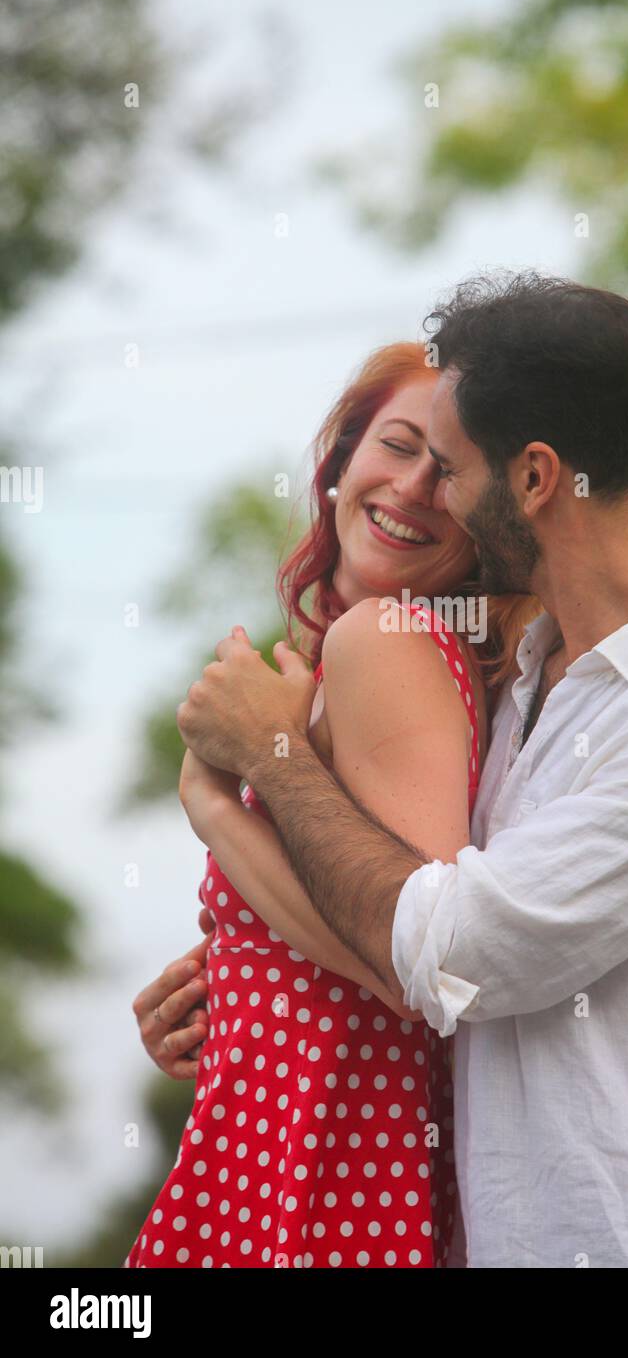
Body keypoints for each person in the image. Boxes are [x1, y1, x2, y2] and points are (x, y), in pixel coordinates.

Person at [177, 272, 628, 1269]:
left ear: (531, 479)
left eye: (451, 467)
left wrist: (263, 757)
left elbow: (446, 949)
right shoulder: (528, 679)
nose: (434, 498)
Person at [125, 339, 537, 1269]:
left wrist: (216, 801)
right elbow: (333, 933)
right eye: (395, 445)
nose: (414, 488)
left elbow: (412, 965)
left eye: (453, 471)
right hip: (276, 1137)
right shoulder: (351, 652)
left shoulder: (388, 635)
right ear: (339, 462)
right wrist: (218, 996)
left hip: (337, 1153)